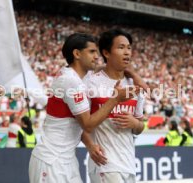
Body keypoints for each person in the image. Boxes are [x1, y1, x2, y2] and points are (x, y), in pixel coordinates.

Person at [29, 33, 137, 183]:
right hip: (51, 160)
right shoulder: (71, 82)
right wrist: (115, 99)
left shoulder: (79, 75)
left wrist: (133, 75)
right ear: (77, 53)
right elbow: (87, 124)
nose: (97, 56)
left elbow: (105, 67)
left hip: (67, 159)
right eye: (92, 52)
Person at [85, 29, 145, 183]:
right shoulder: (91, 82)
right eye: (121, 48)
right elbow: (79, 123)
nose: (127, 52)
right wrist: (90, 146)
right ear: (106, 52)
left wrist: (136, 123)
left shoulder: (135, 85)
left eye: (129, 48)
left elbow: (140, 127)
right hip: (104, 164)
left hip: (128, 164)